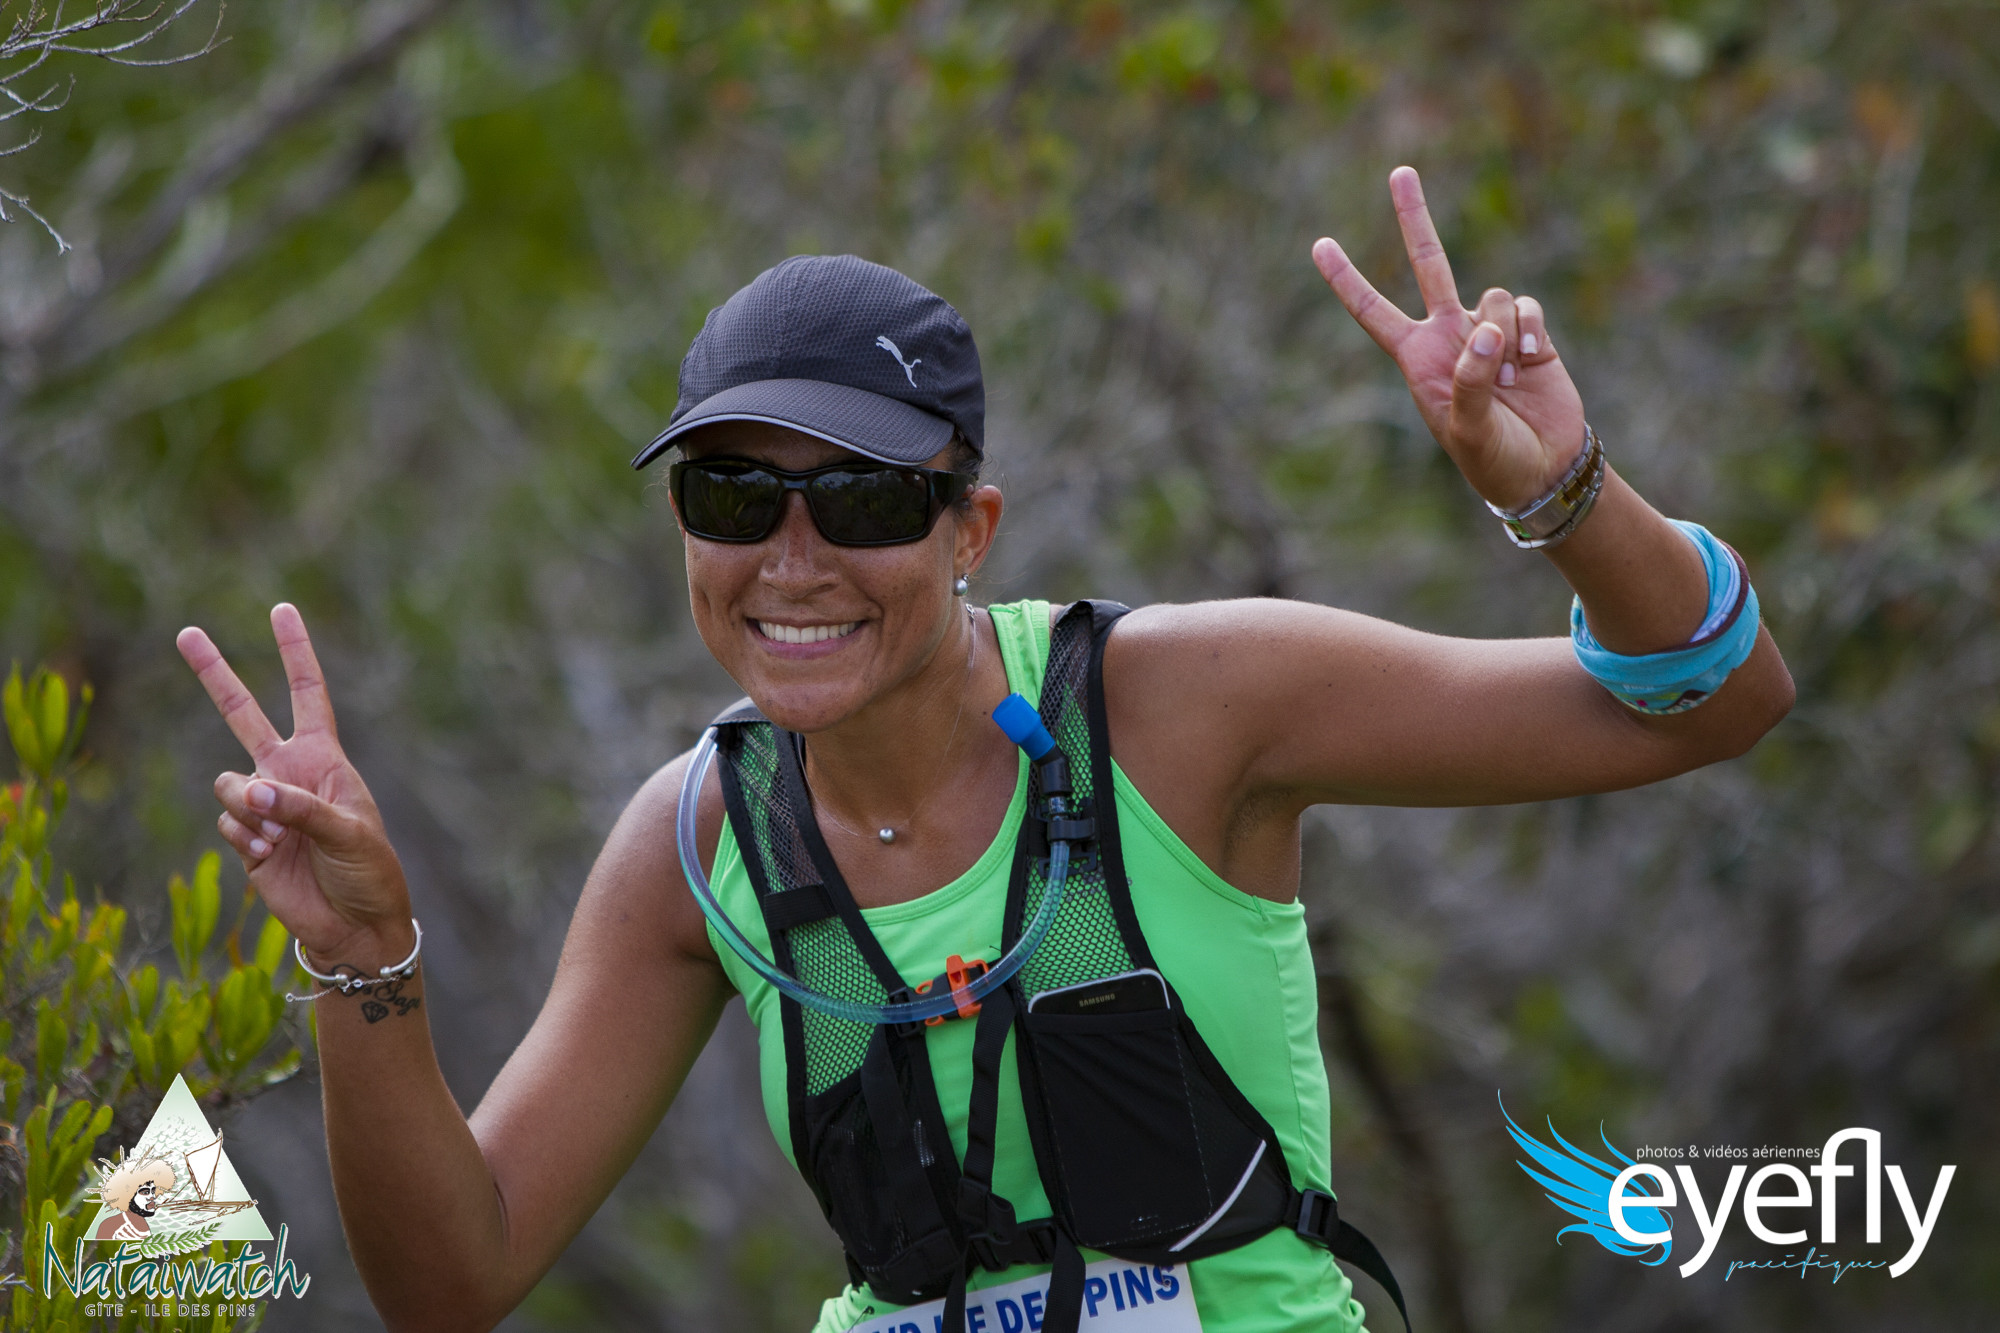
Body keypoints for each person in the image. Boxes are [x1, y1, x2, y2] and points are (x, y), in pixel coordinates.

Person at [177, 167, 1793, 1333]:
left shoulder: (1180, 704)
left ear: (972, 528)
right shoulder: (701, 841)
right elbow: (453, 1278)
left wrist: (1561, 489)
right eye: (733, 497)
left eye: (863, 498)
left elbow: (1716, 700)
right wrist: (366, 961)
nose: (792, 560)